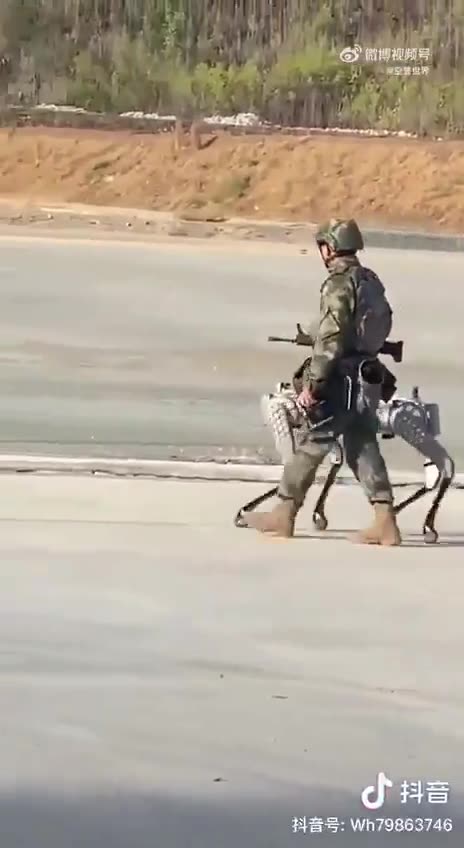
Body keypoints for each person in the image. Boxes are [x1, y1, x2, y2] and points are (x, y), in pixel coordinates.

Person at [244, 217, 402, 546]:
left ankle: (284, 512)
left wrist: (313, 386)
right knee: (363, 445)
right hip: (367, 377)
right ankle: (385, 520)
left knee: (312, 442)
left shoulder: (339, 283)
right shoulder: (370, 281)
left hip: (341, 380)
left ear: (328, 248)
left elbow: (331, 338)